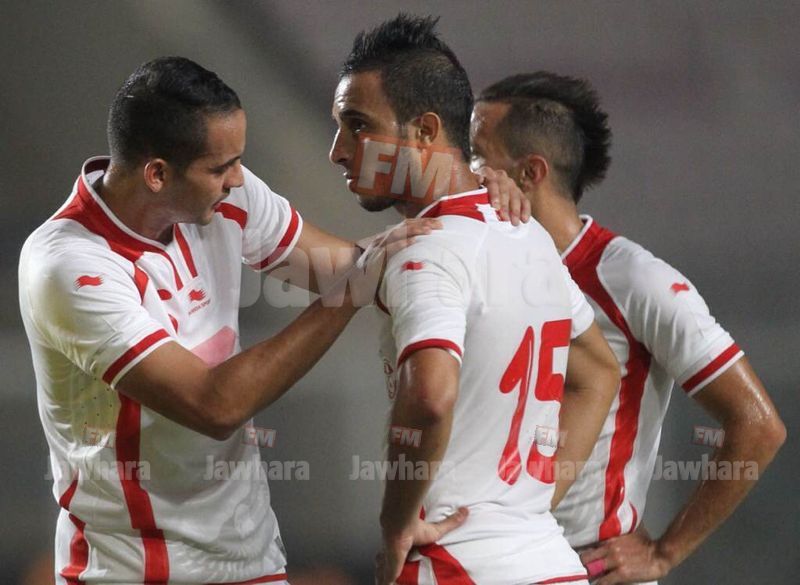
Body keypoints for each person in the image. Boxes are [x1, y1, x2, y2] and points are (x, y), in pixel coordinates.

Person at [18, 56, 526, 584]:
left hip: (250, 558)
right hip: (135, 568)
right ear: (157, 174)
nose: (237, 178)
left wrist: (470, 198)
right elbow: (213, 405)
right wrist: (350, 292)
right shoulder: (69, 265)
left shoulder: (224, 196)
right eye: (220, 168)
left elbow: (350, 267)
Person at [329, 16, 620, 585]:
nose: (338, 151)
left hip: (458, 564)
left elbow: (430, 397)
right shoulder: (528, 232)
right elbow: (599, 373)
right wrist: (526, 504)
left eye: (357, 126)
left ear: (424, 131)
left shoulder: (424, 249)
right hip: (549, 563)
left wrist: (396, 526)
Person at [471, 71, 786, 584]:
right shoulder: (480, 266)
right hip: (487, 561)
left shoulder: (632, 279)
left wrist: (664, 552)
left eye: (476, 156)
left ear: (530, 172)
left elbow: (758, 426)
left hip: (585, 566)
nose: (465, 173)